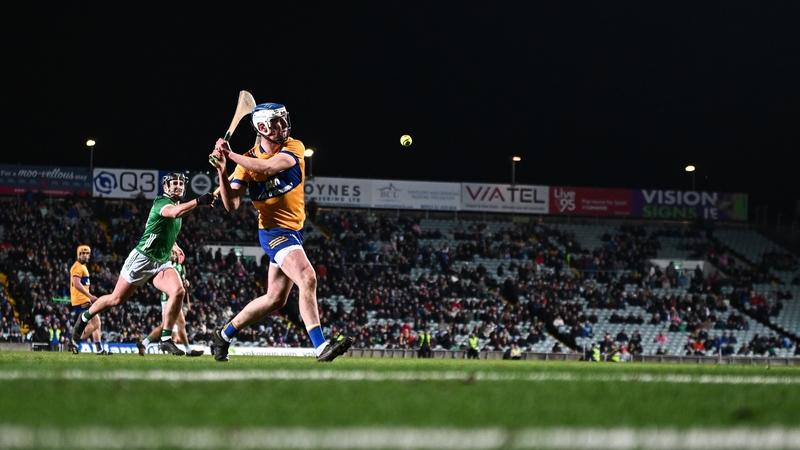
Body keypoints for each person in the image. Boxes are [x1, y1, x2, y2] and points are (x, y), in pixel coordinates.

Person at [208, 103, 352, 362]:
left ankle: (223, 334)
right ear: (262, 128)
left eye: (283, 120)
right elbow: (231, 205)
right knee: (307, 277)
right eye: (276, 123)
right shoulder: (244, 165)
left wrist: (230, 156)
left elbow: (269, 168)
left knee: (275, 299)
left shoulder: (293, 147)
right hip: (274, 232)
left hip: (295, 231)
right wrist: (222, 172)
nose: (284, 126)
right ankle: (321, 347)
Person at [70, 173, 214, 355]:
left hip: (161, 262)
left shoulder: (179, 207)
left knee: (178, 291)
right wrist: (199, 201)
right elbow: (174, 212)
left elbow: (168, 228)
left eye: (180, 183)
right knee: (115, 299)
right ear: (166, 188)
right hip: (142, 259)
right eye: (174, 183)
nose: (178, 186)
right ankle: (84, 318)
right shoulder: (162, 202)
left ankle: (166, 339)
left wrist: (175, 246)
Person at [136, 249, 203, 357]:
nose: (174, 255)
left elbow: (181, 281)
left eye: (175, 254)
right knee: (176, 324)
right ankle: (188, 351)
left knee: (174, 324)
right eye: (172, 253)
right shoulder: (164, 266)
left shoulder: (179, 267)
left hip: (175, 298)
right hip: (167, 298)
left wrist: (185, 282)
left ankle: (143, 343)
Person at [67, 245, 107, 355]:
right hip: (81, 300)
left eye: (86, 253)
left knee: (97, 323)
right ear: (78, 255)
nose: (84, 255)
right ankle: (75, 341)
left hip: (83, 300)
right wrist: (90, 296)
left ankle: (99, 349)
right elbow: (76, 284)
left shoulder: (83, 267)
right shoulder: (77, 267)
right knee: (96, 323)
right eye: (82, 253)